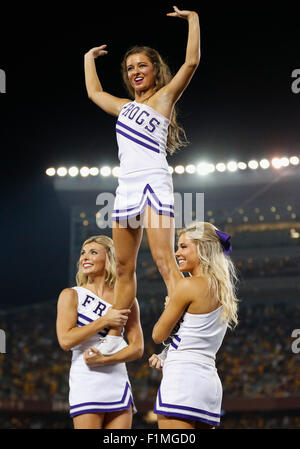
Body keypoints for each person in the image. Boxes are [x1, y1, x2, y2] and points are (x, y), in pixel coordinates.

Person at [84, 6, 200, 354]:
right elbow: (94, 94)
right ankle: (116, 335)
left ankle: (182, 334)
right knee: (122, 266)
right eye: (130, 67)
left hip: (153, 182)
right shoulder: (123, 106)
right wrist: (88, 57)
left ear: (154, 70)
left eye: (142, 66)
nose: (136, 71)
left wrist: (193, 20)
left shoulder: (164, 98)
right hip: (125, 187)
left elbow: (191, 63)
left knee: (164, 261)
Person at [149, 222, 239, 429]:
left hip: (183, 379)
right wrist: (166, 354)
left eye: (183, 247)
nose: (177, 252)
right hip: (209, 382)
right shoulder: (222, 289)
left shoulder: (188, 285)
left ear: (203, 248)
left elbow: (157, 334)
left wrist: (170, 306)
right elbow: (194, 336)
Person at [56, 235, 144, 429]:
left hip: (117, 378)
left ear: (109, 258)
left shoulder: (126, 298)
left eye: (93, 252)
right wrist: (105, 320)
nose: (85, 257)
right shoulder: (71, 295)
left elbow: (137, 348)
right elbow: (65, 340)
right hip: (86, 377)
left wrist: (104, 360)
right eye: (82, 253)